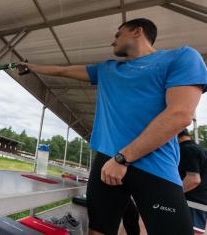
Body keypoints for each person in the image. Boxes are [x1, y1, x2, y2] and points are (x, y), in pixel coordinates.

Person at [19, 18, 207, 234]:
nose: (112, 42)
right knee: (98, 229)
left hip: (153, 166)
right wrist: (32, 67)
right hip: (106, 162)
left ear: (137, 31)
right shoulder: (107, 69)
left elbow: (180, 115)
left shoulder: (181, 57)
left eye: (118, 34)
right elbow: (64, 71)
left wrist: (122, 158)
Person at [178, 128, 207, 234]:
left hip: (192, 201)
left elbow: (193, 179)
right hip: (201, 200)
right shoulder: (199, 149)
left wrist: (172, 194)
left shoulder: (185, 149)